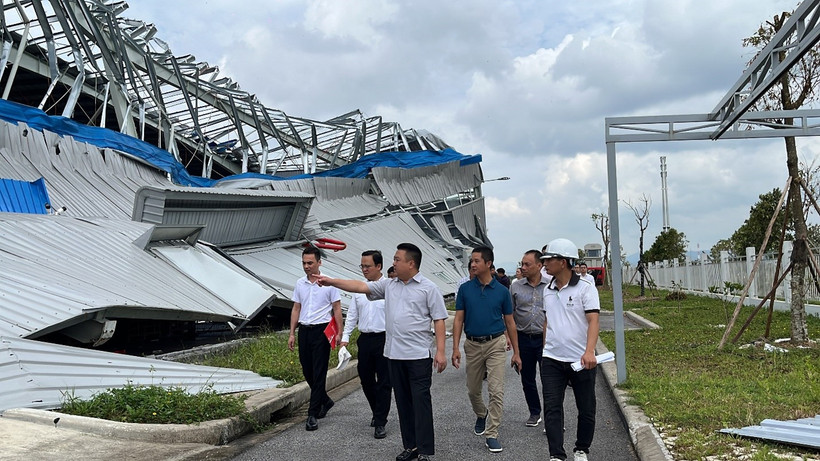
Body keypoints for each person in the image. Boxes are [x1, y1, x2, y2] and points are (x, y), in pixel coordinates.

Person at [313, 243, 448, 461]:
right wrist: (331, 281)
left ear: (411, 263)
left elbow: (439, 320)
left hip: (418, 356)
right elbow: (359, 287)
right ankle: (411, 447)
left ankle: (424, 451)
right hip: (394, 355)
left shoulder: (428, 288)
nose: (393, 263)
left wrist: (441, 351)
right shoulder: (389, 286)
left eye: (397, 259)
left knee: (420, 403)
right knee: (403, 403)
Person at [451, 246, 521, 453]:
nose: (472, 264)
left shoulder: (501, 291)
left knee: (496, 390)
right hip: (472, 345)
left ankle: (492, 433)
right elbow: (459, 319)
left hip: (496, 344)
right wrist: (455, 348)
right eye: (471, 261)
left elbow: (510, 322)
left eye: (476, 261)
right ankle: (481, 414)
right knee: (473, 390)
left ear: (488, 264)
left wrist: (516, 352)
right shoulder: (465, 289)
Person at [540, 238, 600, 461]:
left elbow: (593, 321)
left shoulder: (586, 288)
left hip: (580, 360)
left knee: (586, 408)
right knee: (552, 408)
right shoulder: (548, 289)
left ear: (563, 262)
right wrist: (546, 349)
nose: (545, 264)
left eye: (549, 260)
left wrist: (589, 351)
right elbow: (548, 322)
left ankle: (581, 449)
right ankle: (557, 455)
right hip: (552, 359)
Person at [288, 246, 343, 432]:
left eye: (310, 263)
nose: (306, 266)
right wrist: (291, 333)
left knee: (319, 372)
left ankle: (312, 414)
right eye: (304, 263)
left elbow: (337, 309)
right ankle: (325, 401)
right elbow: (296, 308)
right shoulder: (300, 284)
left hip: (322, 331)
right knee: (307, 370)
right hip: (305, 330)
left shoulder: (328, 283)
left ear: (319, 262)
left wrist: (339, 334)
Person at [341, 250, 392, 439]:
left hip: (384, 339)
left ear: (378, 267)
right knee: (366, 379)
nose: (364, 269)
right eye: (362, 266)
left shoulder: (389, 288)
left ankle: (380, 421)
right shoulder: (359, 290)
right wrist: (345, 337)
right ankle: (376, 410)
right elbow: (352, 316)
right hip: (365, 339)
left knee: (385, 382)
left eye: (367, 266)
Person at [509, 249, 550, 428]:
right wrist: (511, 342)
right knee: (527, 378)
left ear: (539, 266)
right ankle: (535, 412)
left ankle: (553, 417)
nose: (523, 267)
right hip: (524, 338)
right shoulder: (515, 286)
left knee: (550, 379)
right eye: (522, 264)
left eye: (527, 264)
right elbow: (509, 315)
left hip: (546, 339)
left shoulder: (551, 285)